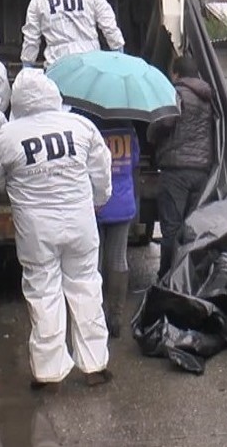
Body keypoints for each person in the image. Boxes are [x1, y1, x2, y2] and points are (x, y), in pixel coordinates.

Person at [0, 69, 114, 390]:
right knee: (86, 287)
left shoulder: (8, 136)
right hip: (80, 225)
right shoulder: (81, 126)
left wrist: (13, 187)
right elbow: (101, 169)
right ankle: (94, 364)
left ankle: (49, 372)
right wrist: (99, 199)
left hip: (37, 231)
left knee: (43, 294)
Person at [147, 56, 215, 279]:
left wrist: (151, 133)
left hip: (176, 171)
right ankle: (191, 278)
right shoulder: (208, 96)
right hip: (201, 171)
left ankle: (166, 277)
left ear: (176, 74)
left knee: (171, 229)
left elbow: (165, 122)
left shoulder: (175, 93)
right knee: (193, 228)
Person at [20, 0, 126, 70]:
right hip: (90, 62)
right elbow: (109, 25)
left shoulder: (38, 0)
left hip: (57, 64)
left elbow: (31, 38)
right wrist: (118, 49)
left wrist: (27, 64)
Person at [92, 119, 139, 339]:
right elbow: (135, 160)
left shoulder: (92, 128)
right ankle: (116, 317)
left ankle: (97, 315)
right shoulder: (128, 129)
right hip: (123, 202)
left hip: (97, 202)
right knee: (118, 259)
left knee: (96, 261)